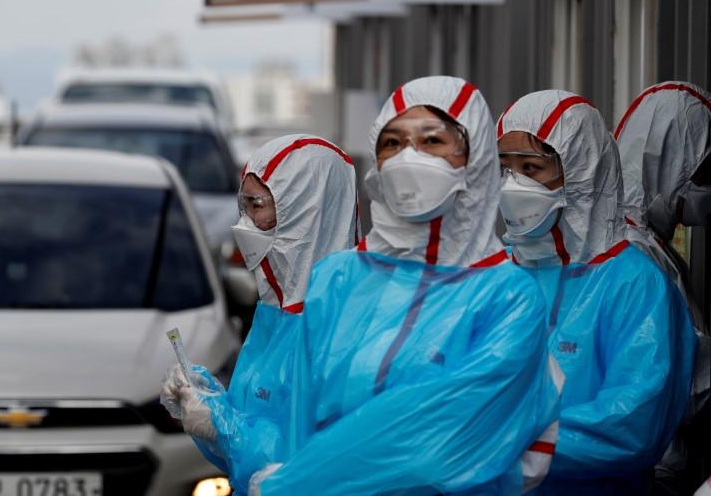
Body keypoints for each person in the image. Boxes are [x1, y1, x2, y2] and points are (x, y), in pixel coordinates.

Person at [249, 76, 562, 495]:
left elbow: (436, 448)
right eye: (392, 143)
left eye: (432, 141)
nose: (407, 158)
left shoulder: (507, 296)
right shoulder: (338, 279)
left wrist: (292, 484)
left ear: (476, 157)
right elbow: (300, 421)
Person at [495, 89, 696, 494]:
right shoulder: (498, 274)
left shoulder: (633, 283)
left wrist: (509, 444)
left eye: (531, 168)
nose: (513, 185)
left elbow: (632, 426)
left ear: (581, 172)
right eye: (505, 169)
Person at [161, 134, 359, 494]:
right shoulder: (274, 313)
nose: (244, 224)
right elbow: (242, 460)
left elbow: (312, 463)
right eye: (243, 207)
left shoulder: (345, 322)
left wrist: (223, 424)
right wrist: (209, 404)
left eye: (257, 206)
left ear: (305, 207)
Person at [614, 81, 711, 494]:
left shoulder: (640, 241)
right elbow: (686, 380)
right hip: (650, 472)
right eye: (702, 173)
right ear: (668, 161)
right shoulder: (637, 254)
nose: (705, 189)